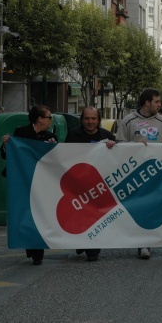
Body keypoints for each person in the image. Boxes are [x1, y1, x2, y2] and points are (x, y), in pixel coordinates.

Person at [116, 88, 162, 259]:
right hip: (134, 174)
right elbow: (119, 144)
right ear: (147, 102)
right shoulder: (128, 121)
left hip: (156, 173)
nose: (159, 105)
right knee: (137, 208)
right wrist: (133, 146)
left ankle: (145, 243)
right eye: (157, 101)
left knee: (151, 207)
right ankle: (138, 240)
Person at [1, 104, 57, 265]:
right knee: (24, 213)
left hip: (41, 183)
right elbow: (7, 155)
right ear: (40, 119)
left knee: (40, 214)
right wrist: (6, 144)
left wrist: (54, 148)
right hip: (22, 181)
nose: (50, 120)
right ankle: (30, 246)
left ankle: (37, 251)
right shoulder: (21, 133)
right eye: (48, 117)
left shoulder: (50, 136)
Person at [66, 107, 116, 262]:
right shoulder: (73, 135)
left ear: (98, 120)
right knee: (79, 214)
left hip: (98, 186)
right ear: (82, 120)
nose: (90, 122)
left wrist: (115, 144)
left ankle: (93, 248)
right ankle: (82, 242)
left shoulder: (106, 136)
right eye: (87, 118)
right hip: (78, 184)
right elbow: (62, 156)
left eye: (93, 119)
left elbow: (121, 153)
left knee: (95, 215)